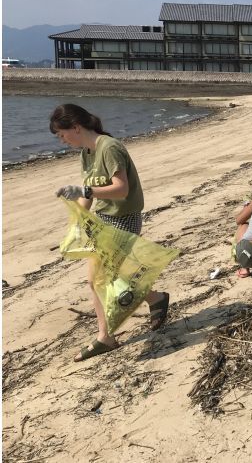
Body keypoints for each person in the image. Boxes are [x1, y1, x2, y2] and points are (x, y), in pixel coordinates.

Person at [50, 103, 170, 362]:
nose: (62, 140)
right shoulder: (86, 153)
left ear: (76, 127)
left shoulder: (109, 147)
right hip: (103, 220)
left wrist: (85, 191)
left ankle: (107, 336)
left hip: (124, 219)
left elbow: (121, 189)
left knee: (102, 278)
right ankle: (154, 300)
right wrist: (77, 223)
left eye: (62, 134)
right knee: (102, 278)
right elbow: (88, 194)